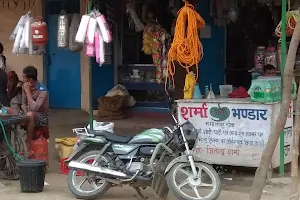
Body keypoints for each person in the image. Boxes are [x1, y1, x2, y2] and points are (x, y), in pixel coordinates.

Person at [6, 66, 49, 150]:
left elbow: (35, 108)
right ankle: (4, 141)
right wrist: (25, 114)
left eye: (24, 78)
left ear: (30, 80)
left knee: (30, 114)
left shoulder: (43, 91)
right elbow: (23, 104)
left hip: (42, 117)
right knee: (6, 109)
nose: (23, 79)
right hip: (27, 113)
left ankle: (28, 142)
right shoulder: (24, 87)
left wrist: (28, 92)